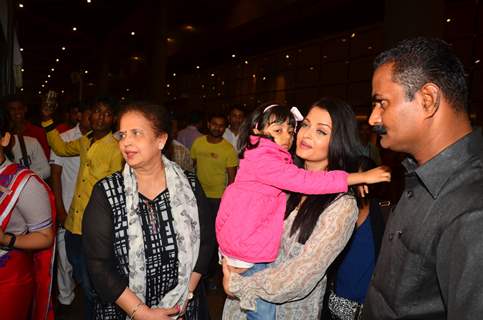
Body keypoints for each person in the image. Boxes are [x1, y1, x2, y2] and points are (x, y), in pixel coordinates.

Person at [216, 103, 390, 319]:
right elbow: (239, 218)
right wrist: (231, 258)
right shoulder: (279, 178)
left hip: (284, 310)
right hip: (240, 304)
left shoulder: (341, 205)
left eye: (321, 131)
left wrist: (237, 283)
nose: (305, 134)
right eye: (305, 125)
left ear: (338, 141)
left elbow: (300, 277)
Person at [363, 37, 483, 319]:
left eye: (382, 103)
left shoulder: (472, 210)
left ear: (428, 100)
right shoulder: (418, 176)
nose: (372, 119)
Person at [82, 102, 214, 320]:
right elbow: (98, 264)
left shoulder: (188, 186)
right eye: (122, 135)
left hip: (184, 309)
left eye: (136, 133)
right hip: (123, 311)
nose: (126, 142)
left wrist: (184, 297)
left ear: (161, 140)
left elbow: (206, 242)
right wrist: (141, 312)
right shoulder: (107, 192)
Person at [41, 97, 123, 320]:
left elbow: (116, 192)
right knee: (82, 279)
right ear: (89, 115)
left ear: (113, 119)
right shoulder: (85, 141)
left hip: (95, 230)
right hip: (73, 227)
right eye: (97, 111)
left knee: (92, 287)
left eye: (106, 113)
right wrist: (48, 120)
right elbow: (59, 147)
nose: (100, 117)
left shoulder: (116, 149)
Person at [0, 107, 56, 320]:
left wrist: (6, 239)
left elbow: (45, 237)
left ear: (5, 138)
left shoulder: (26, 183)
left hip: (8, 280)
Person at [324, 156, 390, 320]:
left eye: (366, 178)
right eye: (356, 178)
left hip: (368, 307)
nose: (360, 184)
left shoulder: (384, 212)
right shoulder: (336, 211)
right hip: (334, 303)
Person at [49, 102, 91, 310]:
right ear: (78, 114)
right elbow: (55, 174)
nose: (94, 118)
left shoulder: (102, 141)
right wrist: (59, 207)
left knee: (89, 257)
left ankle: (88, 295)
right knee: (65, 258)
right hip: (67, 205)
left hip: (92, 211)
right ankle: (65, 298)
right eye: (89, 113)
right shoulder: (65, 139)